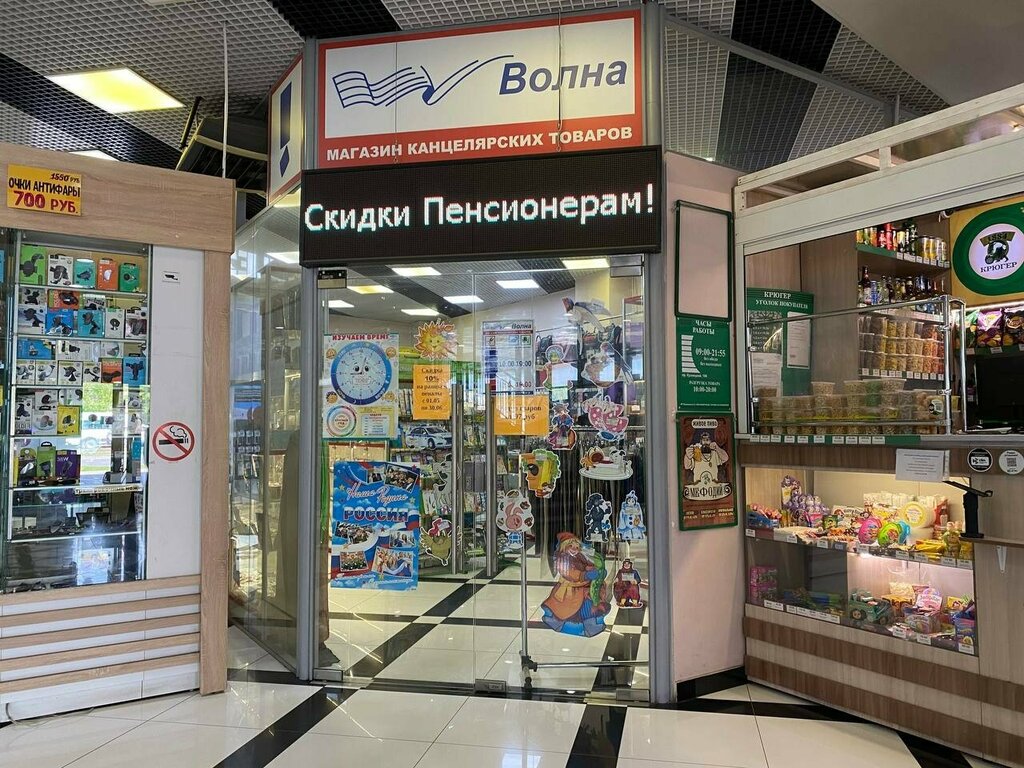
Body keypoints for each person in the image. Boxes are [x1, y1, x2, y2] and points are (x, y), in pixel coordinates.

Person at [540, 532, 610, 637]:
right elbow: (569, 572)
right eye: (571, 546)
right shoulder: (562, 559)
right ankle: (575, 625)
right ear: (564, 547)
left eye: (577, 547)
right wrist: (584, 575)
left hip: (583, 586)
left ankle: (590, 625)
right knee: (570, 609)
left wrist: (594, 569)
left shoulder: (579, 556)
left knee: (590, 604)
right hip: (570, 589)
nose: (574, 549)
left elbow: (586, 564)